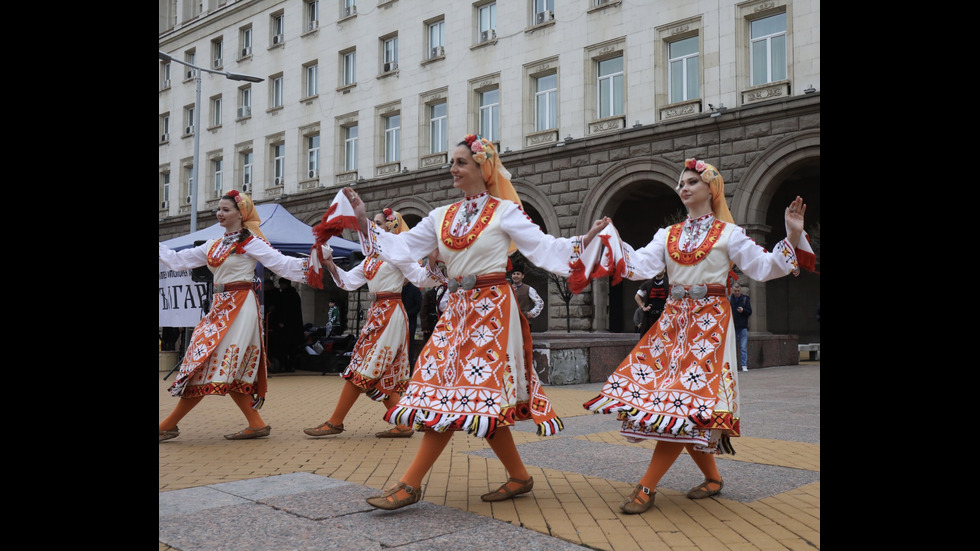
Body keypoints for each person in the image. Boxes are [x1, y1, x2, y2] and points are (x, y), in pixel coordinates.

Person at [341, 134, 610, 510]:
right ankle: (519, 475)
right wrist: (362, 219)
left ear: (483, 168)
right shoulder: (441, 215)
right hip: (456, 312)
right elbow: (401, 250)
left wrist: (586, 240)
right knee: (461, 395)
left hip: (491, 314)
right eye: (452, 162)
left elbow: (545, 248)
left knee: (455, 396)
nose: (453, 168)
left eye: (461, 162)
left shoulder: (505, 212)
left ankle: (409, 483)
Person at [578, 157, 814, 514]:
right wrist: (610, 238)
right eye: (681, 183)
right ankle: (714, 478)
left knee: (685, 406)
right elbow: (640, 265)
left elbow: (764, 268)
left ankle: (647, 486)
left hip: (710, 328)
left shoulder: (729, 234)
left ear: (711, 188)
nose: (683, 188)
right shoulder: (668, 234)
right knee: (682, 408)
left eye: (691, 182)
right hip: (673, 324)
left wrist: (793, 234)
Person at [158, 190, 327, 442]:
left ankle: (167, 425)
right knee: (228, 366)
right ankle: (256, 423)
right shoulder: (214, 244)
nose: (219, 213)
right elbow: (178, 261)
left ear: (241, 213)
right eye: (219, 209)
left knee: (207, 362)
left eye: (226, 210)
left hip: (240, 306)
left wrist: (316, 258)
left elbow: (281, 264)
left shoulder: (251, 242)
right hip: (219, 306)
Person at [302, 209, 444, 440]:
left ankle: (335, 422)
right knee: (379, 371)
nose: (371, 229)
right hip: (377, 313)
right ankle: (404, 424)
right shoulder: (371, 258)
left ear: (390, 227)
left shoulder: (398, 254)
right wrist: (328, 263)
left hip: (390, 314)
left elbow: (421, 279)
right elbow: (348, 282)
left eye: (376, 224)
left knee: (362, 367)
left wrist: (431, 258)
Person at [728, 282, 752, 372]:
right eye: (735, 291)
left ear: (740, 290)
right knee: (732, 347)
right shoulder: (729, 299)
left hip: (743, 326)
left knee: (743, 347)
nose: (737, 292)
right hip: (733, 326)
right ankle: (734, 365)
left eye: (738, 291)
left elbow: (749, 312)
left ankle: (744, 365)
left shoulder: (745, 299)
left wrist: (743, 310)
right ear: (732, 290)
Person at [401, 279, 423, 369]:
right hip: (399, 321)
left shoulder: (415, 290)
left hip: (410, 321)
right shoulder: (398, 288)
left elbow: (419, 305)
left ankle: (409, 368)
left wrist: (408, 313)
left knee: (410, 345)